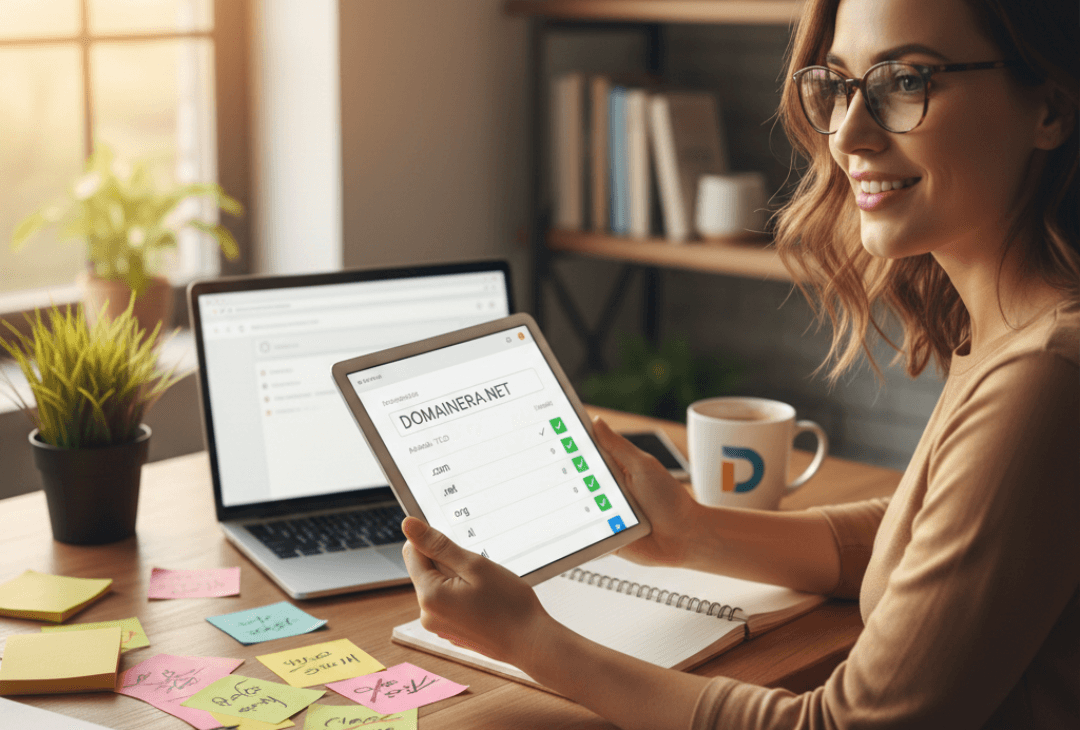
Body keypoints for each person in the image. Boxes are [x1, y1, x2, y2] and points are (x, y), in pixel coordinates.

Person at [400, 0, 1079, 727]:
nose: (849, 135)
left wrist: (532, 642)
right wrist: (695, 531)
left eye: (907, 81)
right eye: (839, 86)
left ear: (1048, 107)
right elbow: (928, 533)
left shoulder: (1045, 374)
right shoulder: (1015, 332)